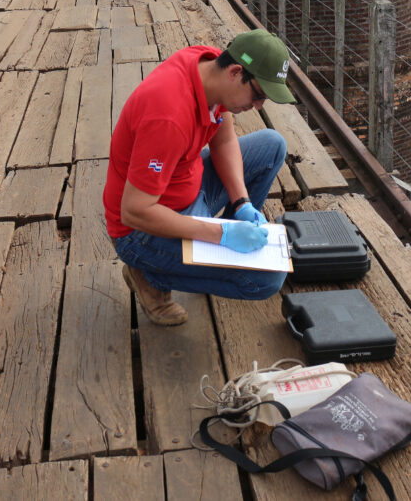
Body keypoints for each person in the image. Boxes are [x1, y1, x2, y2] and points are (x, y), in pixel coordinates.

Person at [104, 30, 296, 326]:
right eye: (258, 95)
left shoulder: (209, 68)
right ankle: (149, 275)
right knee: (267, 281)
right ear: (235, 72)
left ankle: (222, 252)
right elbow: (134, 211)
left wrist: (242, 202)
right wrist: (221, 235)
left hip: (186, 187)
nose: (258, 106)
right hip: (141, 231)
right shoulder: (167, 117)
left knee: (272, 145)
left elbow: (223, 142)